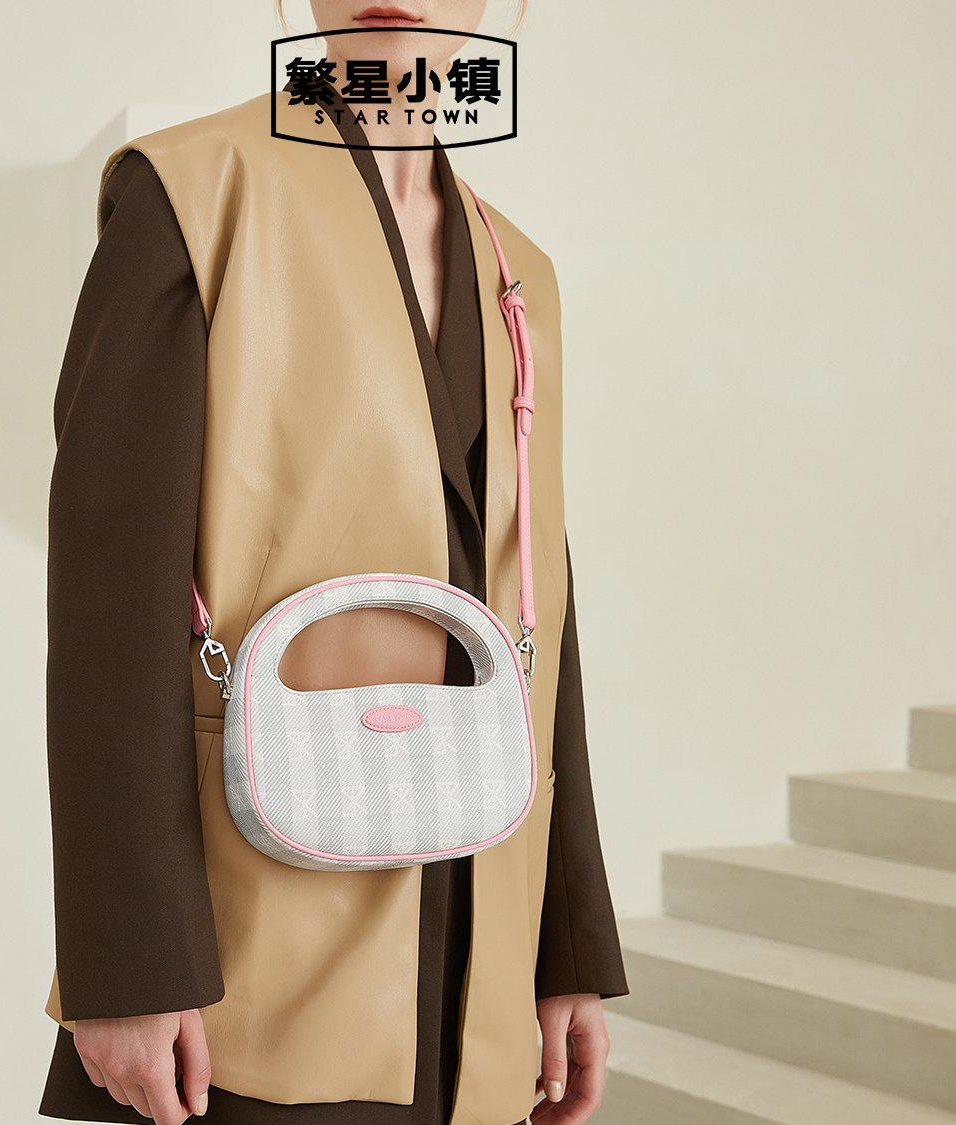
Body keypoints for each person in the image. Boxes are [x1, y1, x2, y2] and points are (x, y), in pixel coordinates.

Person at [38, 4, 629, 1124]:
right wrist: (127, 964)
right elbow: (111, 595)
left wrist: (565, 948)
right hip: (244, 951)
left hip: (476, 941)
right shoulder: (192, 191)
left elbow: (537, 606)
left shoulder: (522, 272)